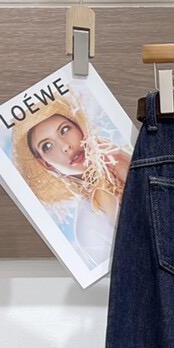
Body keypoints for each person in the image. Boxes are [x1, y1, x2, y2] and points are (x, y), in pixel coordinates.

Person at [11, 98, 131, 266]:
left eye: (65, 129)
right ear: (46, 164)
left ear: (80, 128)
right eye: (47, 146)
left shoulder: (134, 150)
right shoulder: (87, 227)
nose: (65, 146)